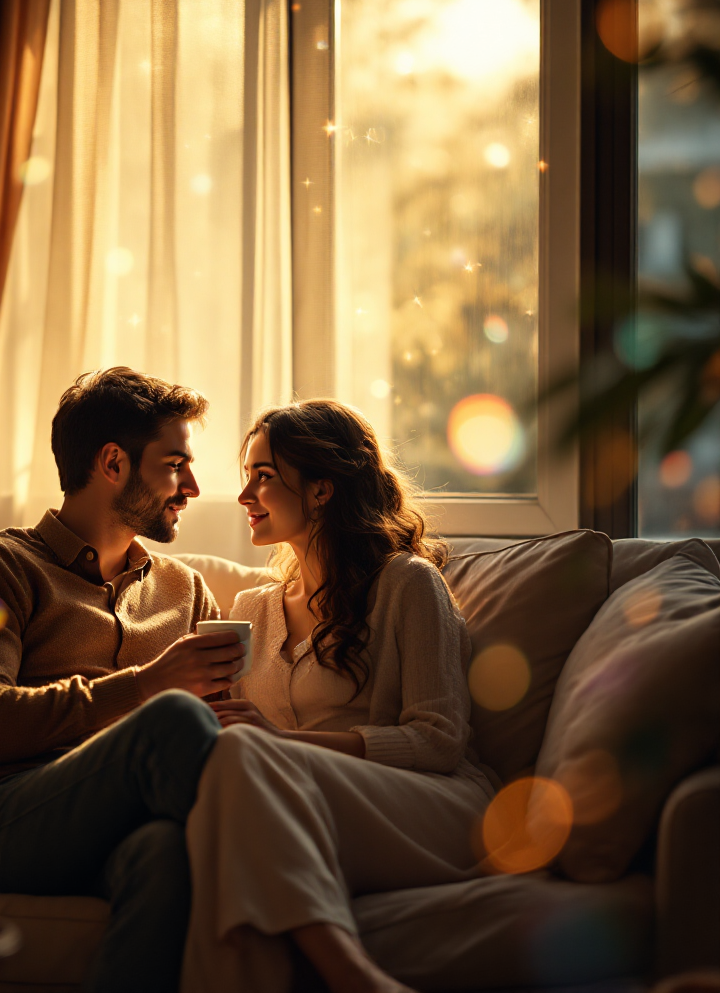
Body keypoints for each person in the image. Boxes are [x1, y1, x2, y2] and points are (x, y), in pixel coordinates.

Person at [0, 367, 246, 993]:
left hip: (128, 819)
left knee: (164, 856)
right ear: (113, 463)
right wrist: (148, 687)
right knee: (173, 717)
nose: (193, 487)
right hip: (3, 817)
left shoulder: (186, 590)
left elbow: (212, 729)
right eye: (175, 464)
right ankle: (308, 892)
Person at [182, 400, 499, 993]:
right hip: (303, 806)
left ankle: (353, 978)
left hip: (434, 803)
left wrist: (282, 745)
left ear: (322, 489)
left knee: (246, 761)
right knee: (225, 794)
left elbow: (439, 740)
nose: (246, 495)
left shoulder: (406, 583)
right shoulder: (253, 610)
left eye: (264, 477)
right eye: (247, 476)